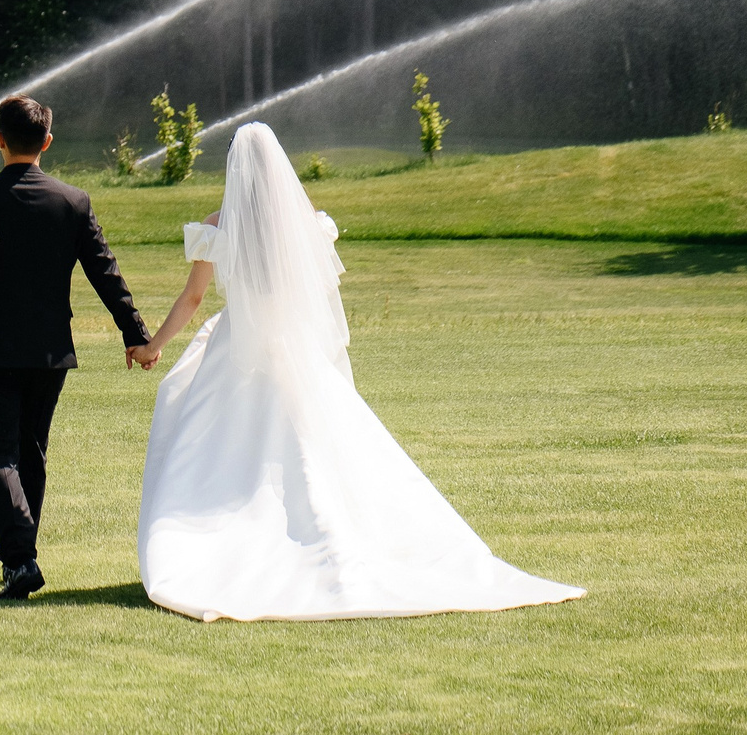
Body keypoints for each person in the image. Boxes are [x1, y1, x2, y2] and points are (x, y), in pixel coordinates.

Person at [129, 121, 585, 621]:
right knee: (307, 445)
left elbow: (193, 297)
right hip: (293, 348)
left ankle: (224, 539)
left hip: (236, 350)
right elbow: (320, 293)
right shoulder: (303, 225)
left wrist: (155, 345)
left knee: (221, 440)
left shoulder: (218, 225)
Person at [0, 96, 153, 599]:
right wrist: (135, 334)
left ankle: (21, 559)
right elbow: (105, 272)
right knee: (31, 453)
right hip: (50, 352)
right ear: (47, 142)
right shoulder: (73, 201)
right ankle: (20, 554)